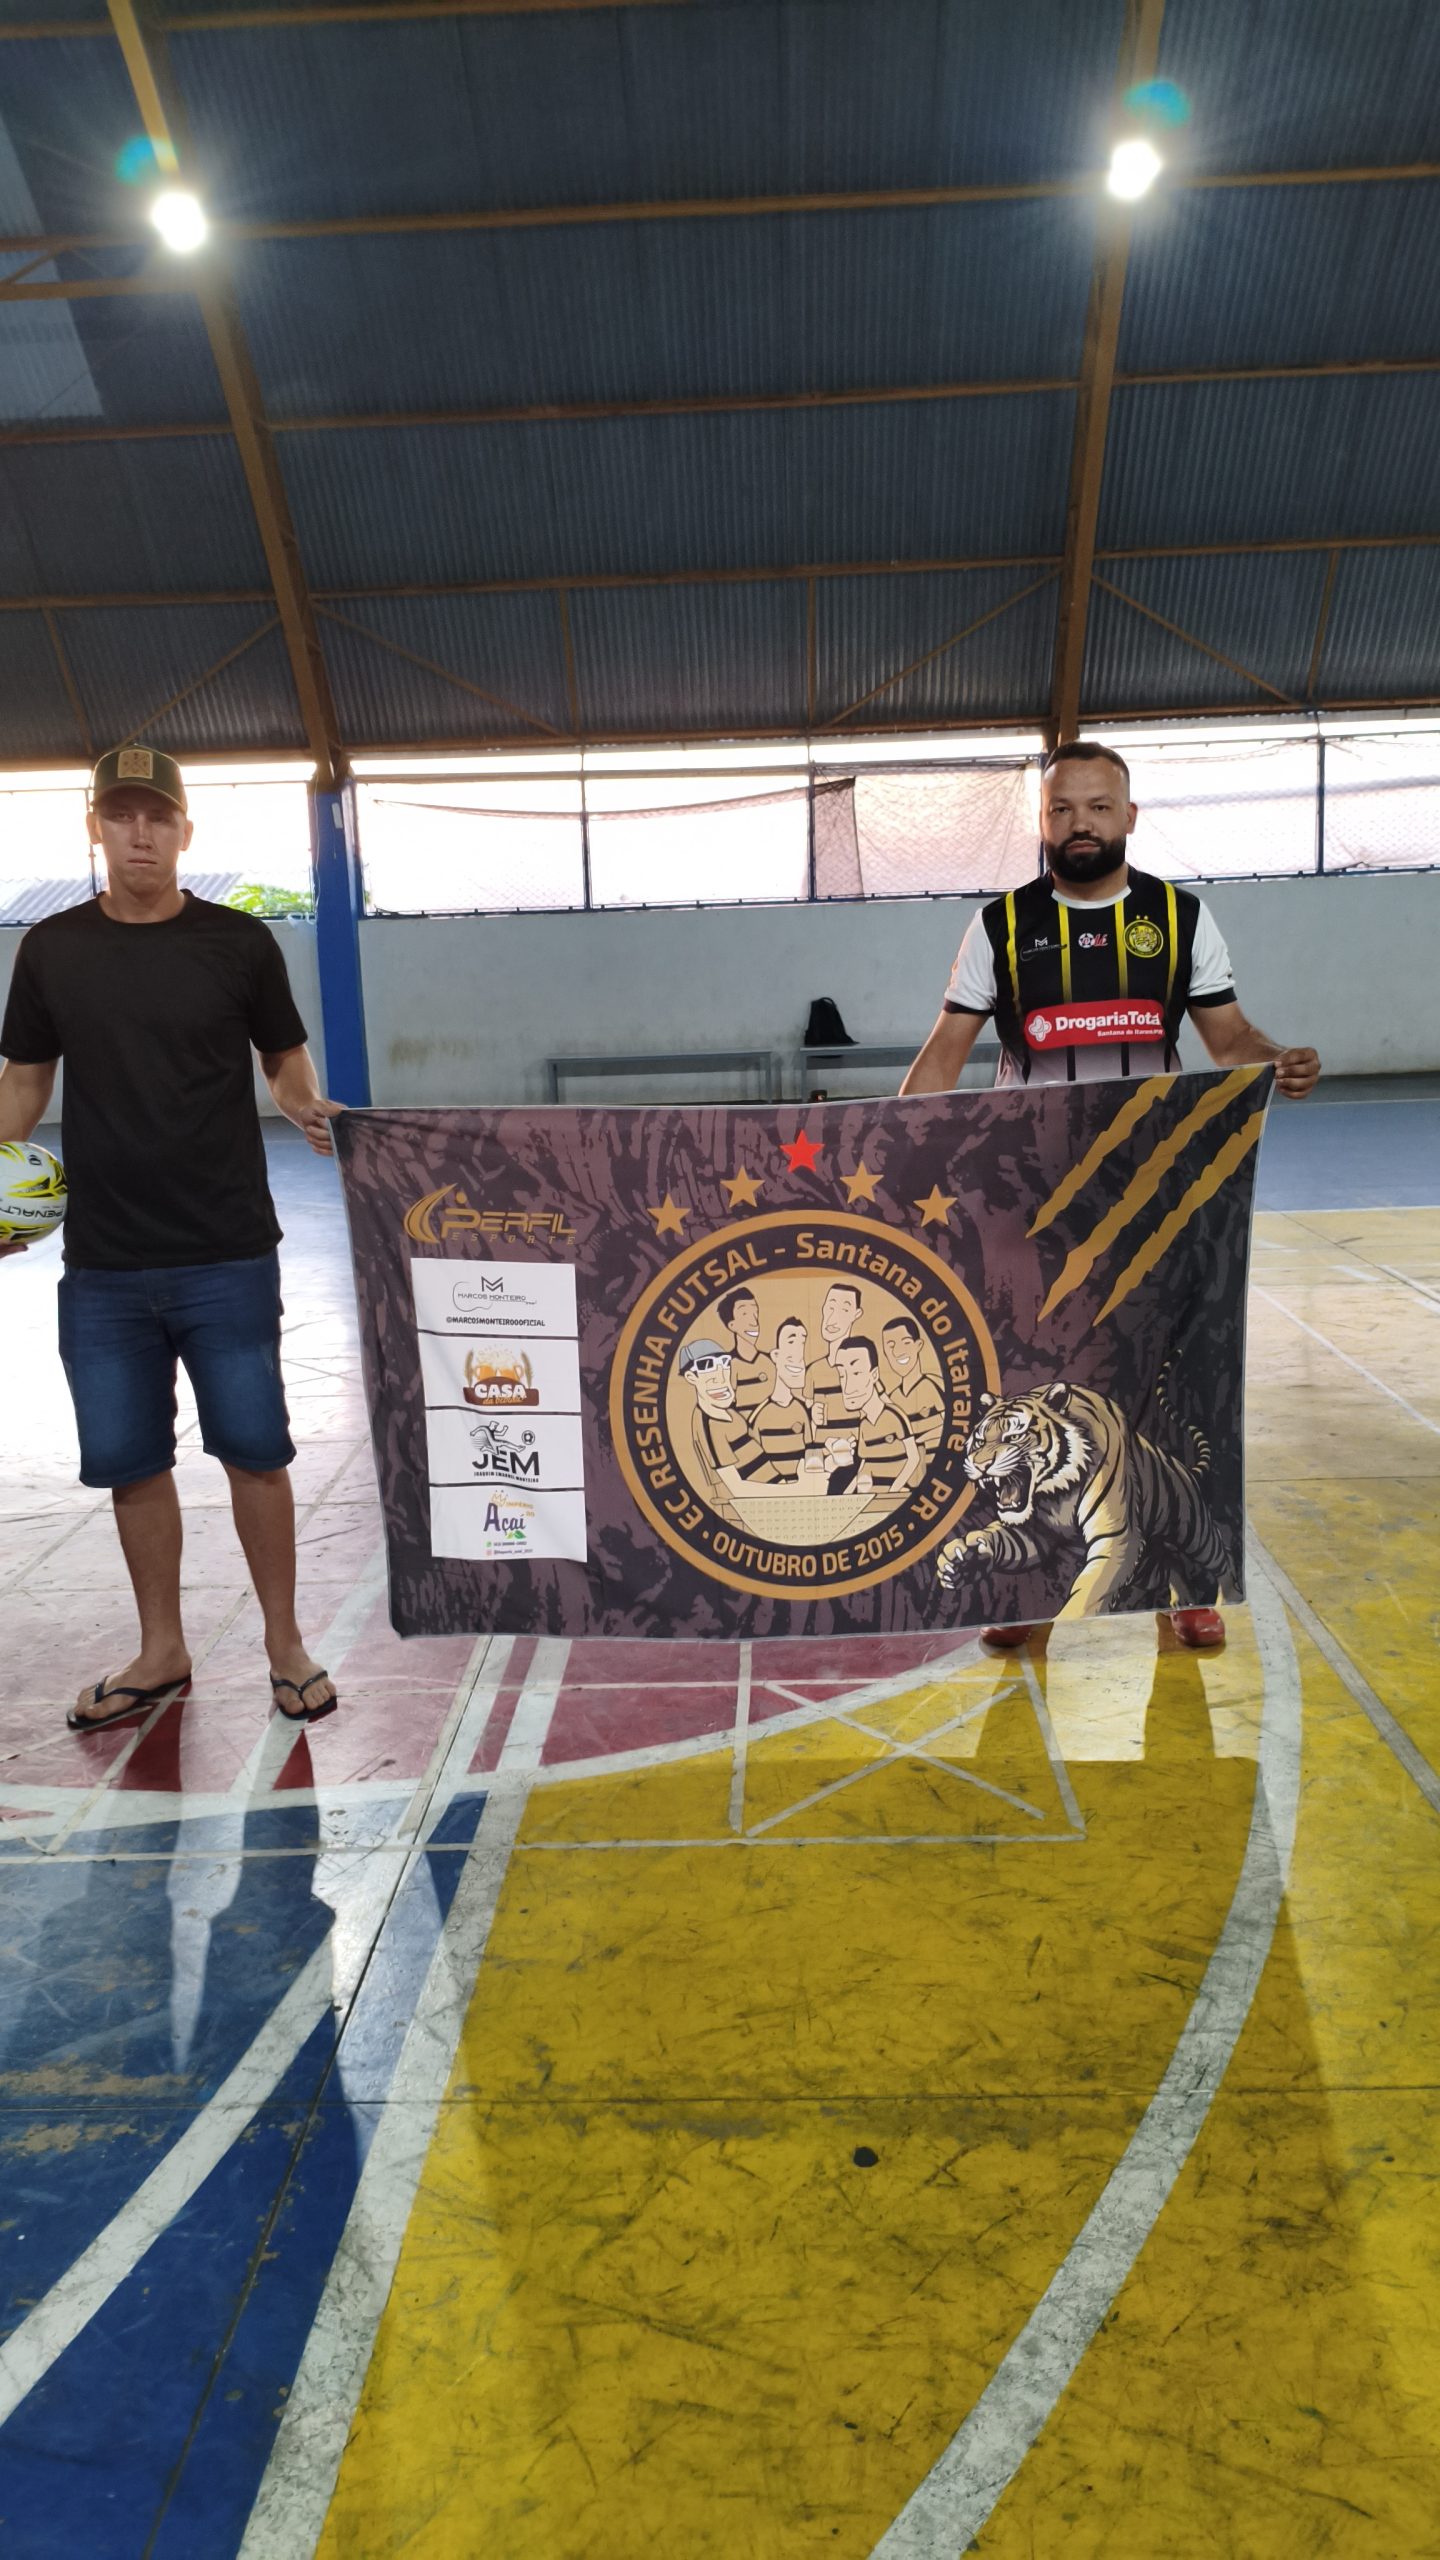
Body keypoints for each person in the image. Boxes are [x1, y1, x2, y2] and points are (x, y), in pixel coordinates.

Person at [902, 738, 1320, 1651]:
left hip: (1153, 1201)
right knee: (1034, 1400)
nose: (1079, 824)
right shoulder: (999, 928)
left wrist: (1276, 1060)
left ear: (1129, 816)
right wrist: (890, 1145)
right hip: (1033, 1206)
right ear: (1042, 820)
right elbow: (944, 1055)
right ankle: (1030, 1592)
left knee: (1164, 1387)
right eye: (1062, 809)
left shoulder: (1180, 919)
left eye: (1097, 807)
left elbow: (1230, 1040)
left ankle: (1185, 1586)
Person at [0, 745, 344, 1729]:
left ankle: (285, 1645)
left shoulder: (238, 943)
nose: (139, 833)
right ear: (95, 828)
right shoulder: (52, 949)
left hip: (226, 1251)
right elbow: (25, 1079)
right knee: (131, 1461)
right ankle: (162, 1649)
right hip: (104, 1265)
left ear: (185, 831)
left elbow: (283, 1057)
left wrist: (303, 1102)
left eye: (157, 817)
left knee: (256, 1452)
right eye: (121, 815)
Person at [717, 1287, 774, 1417]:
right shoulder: (727, 1366)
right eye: (745, 1314)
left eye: (755, 1313)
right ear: (732, 1325)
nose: (754, 1322)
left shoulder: (771, 1361)